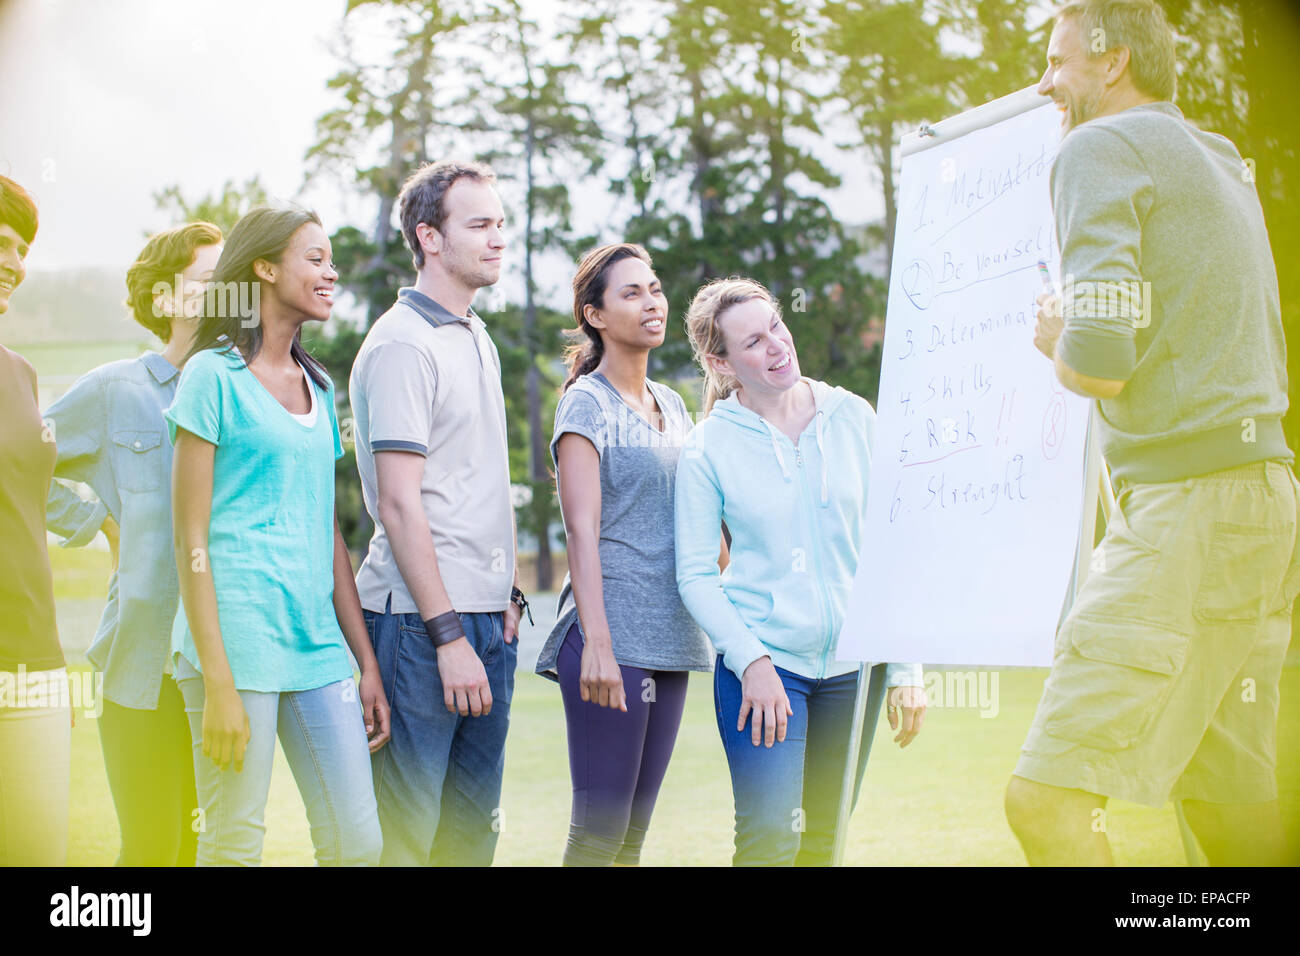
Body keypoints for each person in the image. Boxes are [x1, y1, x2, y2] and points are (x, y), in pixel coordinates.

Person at [1008, 0, 1299, 867]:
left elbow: (1102, 359)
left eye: (1058, 63)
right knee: (1229, 806)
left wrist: (1061, 343)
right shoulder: (1217, 158)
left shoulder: (1097, 148)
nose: (1047, 84)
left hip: (1189, 514)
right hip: (1262, 504)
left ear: (1114, 60)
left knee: (1046, 800)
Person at [675, 277, 926, 866]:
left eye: (777, 328)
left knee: (823, 843)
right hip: (765, 669)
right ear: (722, 361)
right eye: (754, 342)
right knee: (770, 843)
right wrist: (752, 661)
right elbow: (695, 574)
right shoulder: (709, 447)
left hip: (854, 668)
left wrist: (906, 665)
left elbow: (893, 545)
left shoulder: (854, 417)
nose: (777, 346)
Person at [168, 205, 389, 866]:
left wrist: (366, 663)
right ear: (264, 267)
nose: (332, 272)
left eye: (330, 260)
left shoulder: (320, 391)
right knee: (235, 843)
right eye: (314, 259)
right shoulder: (211, 377)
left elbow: (329, 539)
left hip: (316, 645)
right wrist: (218, 682)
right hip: (235, 642)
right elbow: (190, 536)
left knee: (358, 842)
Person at [349, 160, 522, 866]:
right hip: (419, 627)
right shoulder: (400, 344)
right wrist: (448, 634)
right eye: (478, 224)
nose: (497, 239)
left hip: (483, 620)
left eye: (501, 224)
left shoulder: (473, 334)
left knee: (469, 839)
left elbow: (471, 482)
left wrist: (503, 596)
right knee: (408, 843)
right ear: (428, 237)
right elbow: (398, 503)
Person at [43, 222, 221, 867]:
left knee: (204, 849)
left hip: (226, 669)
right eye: (207, 282)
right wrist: (99, 523)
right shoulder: (116, 389)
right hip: (139, 668)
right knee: (151, 852)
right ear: (166, 299)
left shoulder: (247, 391)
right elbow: (16, 462)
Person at [536, 243, 713, 866]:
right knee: (598, 835)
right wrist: (600, 643)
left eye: (655, 289)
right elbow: (579, 531)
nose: (652, 302)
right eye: (631, 293)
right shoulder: (587, 402)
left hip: (669, 636)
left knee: (630, 841)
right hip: (609, 639)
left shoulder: (672, 402)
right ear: (596, 315)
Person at [0, 174, 70, 865]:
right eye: (1, 242)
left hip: (33, 660)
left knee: (39, 855)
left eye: (21, 249)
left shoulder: (19, 375)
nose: (13, 263)